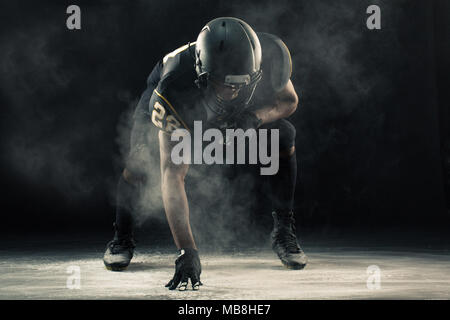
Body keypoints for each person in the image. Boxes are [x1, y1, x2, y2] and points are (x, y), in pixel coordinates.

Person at [103, 17, 307, 291]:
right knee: (140, 162)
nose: (236, 91)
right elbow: (173, 174)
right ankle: (122, 236)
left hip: (237, 113)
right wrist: (187, 251)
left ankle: (283, 228)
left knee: (284, 135)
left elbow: (289, 100)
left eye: (243, 83)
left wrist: (256, 116)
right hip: (186, 107)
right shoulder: (173, 88)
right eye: (228, 83)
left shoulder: (269, 56)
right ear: (203, 74)